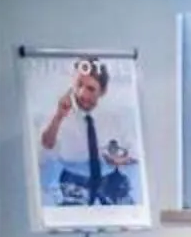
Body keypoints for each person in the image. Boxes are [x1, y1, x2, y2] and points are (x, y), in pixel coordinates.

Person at [40, 59, 135, 207]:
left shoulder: (114, 118)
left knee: (131, 213)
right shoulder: (60, 113)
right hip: (74, 180)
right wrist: (58, 117)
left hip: (109, 177)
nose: (82, 94)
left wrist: (122, 160)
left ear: (103, 91)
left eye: (91, 89)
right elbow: (46, 145)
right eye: (79, 85)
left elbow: (135, 151)